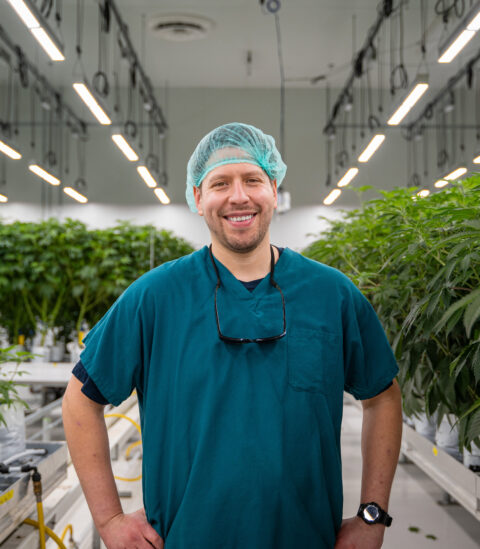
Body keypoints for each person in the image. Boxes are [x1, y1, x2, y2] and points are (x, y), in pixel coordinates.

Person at [62, 122, 403, 549]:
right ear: (198, 197)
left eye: (253, 180)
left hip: (305, 538)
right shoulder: (154, 298)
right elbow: (80, 399)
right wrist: (110, 519)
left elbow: (383, 395)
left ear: (274, 190)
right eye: (220, 183)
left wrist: (372, 514)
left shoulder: (330, 294)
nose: (238, 196)